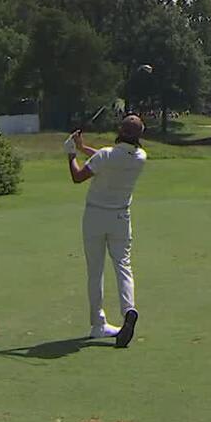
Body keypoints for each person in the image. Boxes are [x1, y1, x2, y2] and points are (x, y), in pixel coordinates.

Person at [66, 114, 147, 348]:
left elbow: (78, 176)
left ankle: (98, 324)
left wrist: (71, 153)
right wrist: (83, 147)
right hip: (121, 218)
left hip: (95, 217)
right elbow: (104, 160)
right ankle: (128, 309)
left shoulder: (106, 155)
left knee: (95, 271)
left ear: (120, 131)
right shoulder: (140, 157)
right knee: (123, 265)